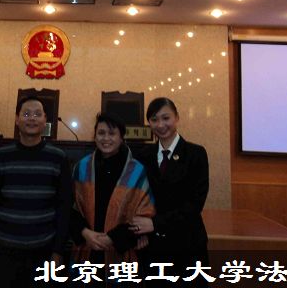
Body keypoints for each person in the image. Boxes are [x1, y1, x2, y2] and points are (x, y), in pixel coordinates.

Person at [0, 96, 73, 288]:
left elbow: (64, 208)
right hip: (4, 251)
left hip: (44, 251)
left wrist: (58, 251)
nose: (32, 118)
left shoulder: (58, 157)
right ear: (17, 119)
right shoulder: (1, 156)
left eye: (38, 114)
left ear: (45, 120)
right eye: (27, 114)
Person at [70, 113, 156, 286]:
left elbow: (144, 215)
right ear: (95, 136)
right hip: (87, 249)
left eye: (112, 133)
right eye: (101, 133)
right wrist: (85, 233)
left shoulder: (137, 171)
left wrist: (112, 238)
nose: (106, 138)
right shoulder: (82, 167)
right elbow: (70, 208)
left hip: (122, 253)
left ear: (121, 137)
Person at [137, 97, 209, 286]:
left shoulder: (196, 154)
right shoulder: (143, 155)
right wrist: (140, 230)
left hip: (187, 244)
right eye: (154, 119)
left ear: (177, 117)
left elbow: (195, 204)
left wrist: (155, 224)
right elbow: (138, 198)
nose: (160, 125)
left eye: (166, 118)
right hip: (152, 246)